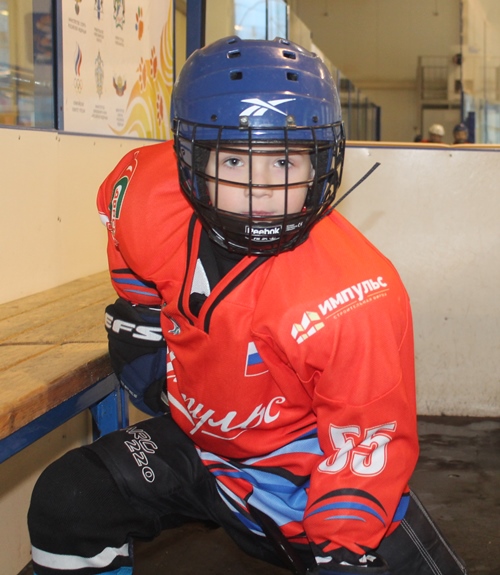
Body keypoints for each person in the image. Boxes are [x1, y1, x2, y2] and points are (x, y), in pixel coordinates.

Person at [28, 37, 468, 575]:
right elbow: (125, 240)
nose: (260, 188)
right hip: (204, 449)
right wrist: (141, 313)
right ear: (191, 161)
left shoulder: (356, 296)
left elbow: (364, 448)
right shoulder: (146, 194)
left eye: (283, 160)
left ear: (320, 163)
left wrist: (344, 543)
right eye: (234, 159)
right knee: (71, 498)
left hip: (312, 471)